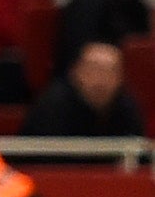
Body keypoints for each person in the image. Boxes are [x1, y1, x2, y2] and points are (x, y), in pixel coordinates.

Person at [20, 41, 148, 139]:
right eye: (93, 69)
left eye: (110, 71)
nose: (101, 79)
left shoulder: (127, 108)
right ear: (76, 72)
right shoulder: (52, 107)